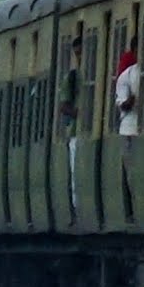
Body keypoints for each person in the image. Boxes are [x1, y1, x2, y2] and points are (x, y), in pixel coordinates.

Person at [114, 38, 140, 222]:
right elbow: (122, 104)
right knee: (131, 172)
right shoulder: (127, 75)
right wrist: (133, 100)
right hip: (129, 129)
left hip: (143, 130)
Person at [59, 35, 83, 221]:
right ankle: (76, 210)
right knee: (76, 174)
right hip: (76, 131)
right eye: (77, 54)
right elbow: (63, 106)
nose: (80, 56)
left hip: (88, 131)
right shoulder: (73, 77)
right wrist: (79, 114)